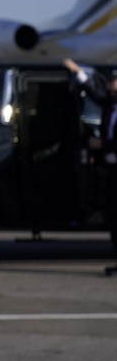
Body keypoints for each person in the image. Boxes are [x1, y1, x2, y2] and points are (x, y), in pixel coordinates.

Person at [62, 58, 117, 253]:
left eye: (113, 81)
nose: (110, 85)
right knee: (112, 215)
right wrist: (78, 71)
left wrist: (104, 144)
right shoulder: (111, 105)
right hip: (110, 169)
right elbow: (95, 94)